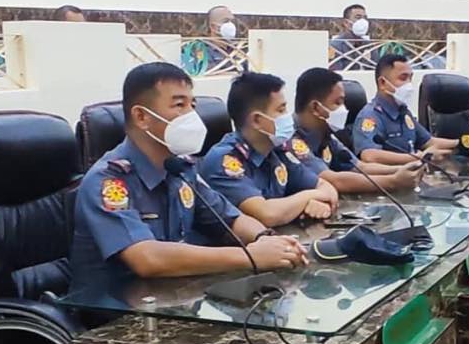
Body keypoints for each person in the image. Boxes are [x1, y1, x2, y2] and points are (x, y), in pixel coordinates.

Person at [69, 63, 307, 292]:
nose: (192, 115)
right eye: (179, 105)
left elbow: (229, 218)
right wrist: (250, 256)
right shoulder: (109, 181)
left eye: (192, 105)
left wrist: (267, 240)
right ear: (142, 117)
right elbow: (147, 258)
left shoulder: (180, 168)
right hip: (111, 317)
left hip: (174, 299)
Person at [199, 72, 339, 227]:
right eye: (281, 110)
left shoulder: (278, 150)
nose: (288, 117)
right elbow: (267, 214)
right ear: (257, 120)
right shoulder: (224, 160)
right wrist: (310, 197)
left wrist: (315, 202)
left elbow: (326, 187)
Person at [289, 67, 424, 193]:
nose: (344, 109)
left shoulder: (326, 134)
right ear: (315, 108)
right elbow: (333, 180)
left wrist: (405, 169)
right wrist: (393, 181)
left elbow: (360, 167)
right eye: (338, 102)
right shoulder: (290, 139)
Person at [351, 54, 458, 164]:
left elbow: (428, 142)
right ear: (382, 83)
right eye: (403, 78)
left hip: (413, 176)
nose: (409, 84)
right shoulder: (370, 116)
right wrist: (421, 157)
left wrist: (463, 143)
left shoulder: (403, 112)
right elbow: (370, 156)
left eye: (410, 78)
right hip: (388, 178)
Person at [329, 4, 376, 71]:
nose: (363, 21)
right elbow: (335, 73)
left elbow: (376, 70)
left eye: (365, 18)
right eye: (358, 17)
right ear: (346, 23)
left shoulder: (369, 46)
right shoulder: (334, 46)